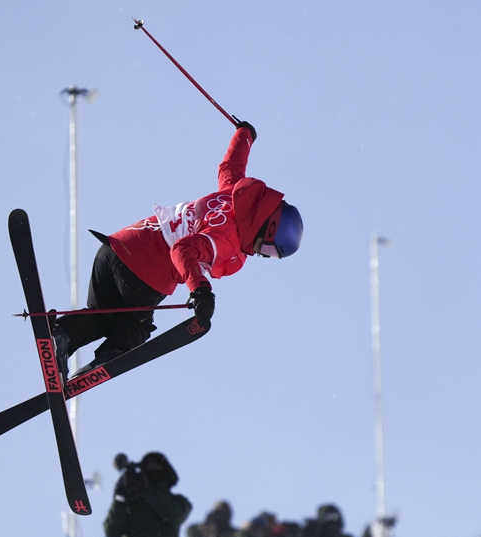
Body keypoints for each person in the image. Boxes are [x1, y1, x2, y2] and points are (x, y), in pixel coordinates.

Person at [52, 121, 304, 377]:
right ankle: (101, 366)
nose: (262, 255)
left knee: (103, 315)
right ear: (268, 227)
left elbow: (232, 165)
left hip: (116, 247)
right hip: (146, 271)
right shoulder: (227, 240)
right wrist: (200, 290)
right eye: (269, 250)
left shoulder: (235, 194)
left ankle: (63, 335)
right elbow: (182, 249)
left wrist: (245, 135)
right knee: (136, 328)